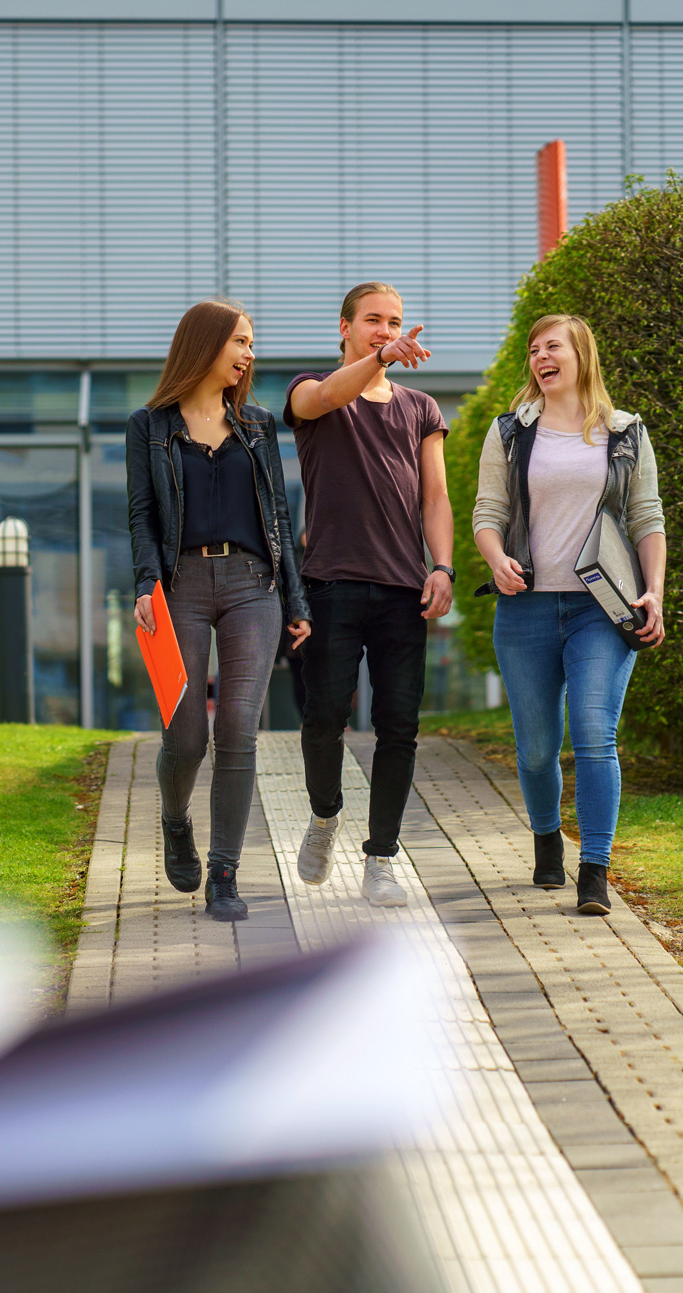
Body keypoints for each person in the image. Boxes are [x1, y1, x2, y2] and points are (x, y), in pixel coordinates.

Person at [473, 314, 666, 915]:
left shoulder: (626, 432)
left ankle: (595, 870)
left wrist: (653, 591)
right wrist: (498, 558)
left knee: (592, 734)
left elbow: (646, 518)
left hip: (600, 610)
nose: (540, 357)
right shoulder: (510, 432)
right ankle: (546, 838)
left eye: (551, 346)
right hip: (525, 609)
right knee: (535, 749)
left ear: (581, 353)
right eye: (534, 350)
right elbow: (488, 511)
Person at [128, 301, 310, 923]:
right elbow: (142, 515)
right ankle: (175, 819)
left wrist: (296, 597)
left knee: (238, 725)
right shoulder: (149, 426)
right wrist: (146, 585)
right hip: (180, 583)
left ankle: (225, 873)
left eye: (252, 343)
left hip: (252, 583)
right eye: (240, 341)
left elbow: (280, 516)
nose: (249, 354)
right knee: (186, 734)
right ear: (204, 345)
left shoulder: (258, 425)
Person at [283, 281, 449, 908]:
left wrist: (444, 567)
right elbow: (328, 393)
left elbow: (435, 497)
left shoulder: (421, 408)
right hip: (331, 585)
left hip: (405, 589)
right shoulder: (311, 392)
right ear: (346, 328)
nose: (386, 330)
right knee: (324, 717)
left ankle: (381, 857)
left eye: (395, 322)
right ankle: (325, 816)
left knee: (399, 727)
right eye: (374, 321)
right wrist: (379, 358)